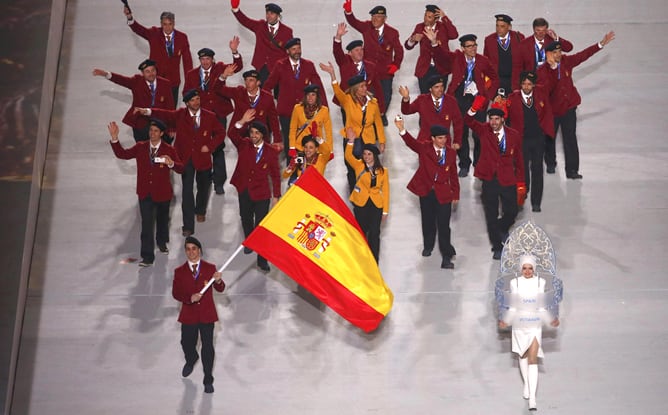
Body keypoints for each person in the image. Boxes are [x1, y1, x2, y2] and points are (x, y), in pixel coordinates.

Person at [136, 89, 226, 237]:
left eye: (197, 99)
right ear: (186, 103)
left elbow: (221, 133)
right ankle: (188, 226)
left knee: (204, 187)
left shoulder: (210, 116)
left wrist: (210, 146)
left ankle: (201, 210)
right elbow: (164, 113)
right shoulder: (179, 115)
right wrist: (147, 111)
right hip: (185, 159)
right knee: (187, 192)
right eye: (192, 100)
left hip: (203, 159)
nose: (196, 102)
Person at [537, 32, 615, 179]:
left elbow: (582, 55)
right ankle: (551, 163)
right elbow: (547, 90)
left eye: (560, 51)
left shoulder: (566, 61)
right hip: (552, 111)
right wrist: (553, 69)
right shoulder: (542, 71)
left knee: (570, 138)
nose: (559, 55)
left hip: (568, 108)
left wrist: (600, 44)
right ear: (548, 54)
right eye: (555, 53)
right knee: (549, 138)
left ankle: (572, 170)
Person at [108, 119, 183, 267]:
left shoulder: (169, 150)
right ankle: (147, 257)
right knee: (147, 225)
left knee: (162, 221)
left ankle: (162, 242)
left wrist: (172, 163)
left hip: (162, 193)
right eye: (150, 131)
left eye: (156, 131)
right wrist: (115, 138)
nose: (152, 133)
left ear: (161, 133)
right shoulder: (140, 147)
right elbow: (123, 154)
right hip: (145, 193)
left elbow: (181, 168)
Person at [498, 255, 560, 411]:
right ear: (520, 268)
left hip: (534, 324)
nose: (527, 271)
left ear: (534, 268)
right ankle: (526, 383)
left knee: (533, 358)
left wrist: (550, 320)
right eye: (524, 268)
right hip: (519, 324)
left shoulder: (540, 282)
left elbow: (541, 307)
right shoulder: (515, 283)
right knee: (522, 355)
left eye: (530, 268)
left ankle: (532, 397)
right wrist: (506, 320)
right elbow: (513, 307)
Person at [395, 119, 459, 269]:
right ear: (433, 139)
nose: (444, 141)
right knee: (428, 221)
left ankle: (446, 256)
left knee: (444, 225)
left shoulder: (450, 153)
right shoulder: (425, 148)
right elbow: (412, 143)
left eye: (445, 138)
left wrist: (455, 193)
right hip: (427, 191)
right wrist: (402, 130)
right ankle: (428, 245)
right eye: (440, 138)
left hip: (443, 192)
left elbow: (454, 175)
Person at [183, 41, 243, 195]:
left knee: (217, 146)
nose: (205, 62)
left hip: (218, 114)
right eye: (202, 59)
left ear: (213, 60)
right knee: (202, 146)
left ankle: (219, 181)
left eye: (208, 59)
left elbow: (238, 66)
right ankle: (204, 177)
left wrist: (235, 52)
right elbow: (186, 93)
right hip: (200, 115)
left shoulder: (220, 68)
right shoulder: (191, 75)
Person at [465, 105, 524, 260]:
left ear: (503, 119)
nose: (493, 122)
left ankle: (501, 227)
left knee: (512, 211)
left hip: (507, 178)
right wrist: (473, 108)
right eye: (491, 119)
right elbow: (468, 121)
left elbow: (519, 160)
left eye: (497, 119)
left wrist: (521, 182)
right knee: (491, 214)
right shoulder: (484, 130)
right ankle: (497, 247)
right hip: (489, 179)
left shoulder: (513, 135)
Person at [319, 61, 386, 193]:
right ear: (355, 89)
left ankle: (368, 192)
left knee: (369, 168)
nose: (364, 88)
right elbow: (338, 92)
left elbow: (378, 122)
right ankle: (354, 192)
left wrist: (382, 141)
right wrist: (332, 74)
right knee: (352, 168)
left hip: (368, 140)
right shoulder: (348, 100)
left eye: (365, 86)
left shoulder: (373, 102)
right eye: (361, 87)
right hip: (352, 140)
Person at [229, 109, 281, 273]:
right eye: (251, 132)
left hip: (261, 193)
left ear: (262, 135)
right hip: (244, 189)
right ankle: (249, 241)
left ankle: (262, 259)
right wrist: (241, 121)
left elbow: (275, 175)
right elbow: (232, 134)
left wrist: (276, 195)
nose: (253, 135)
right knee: (245, 218)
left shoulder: (271, 152)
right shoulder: (243, 144)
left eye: (256, 133)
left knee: (261, 225)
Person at [172, 236, 225, 394]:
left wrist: (218, 281)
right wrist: (189, 298)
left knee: (207, 348)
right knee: (186, 343)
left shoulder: (210, 268)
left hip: (206, 314)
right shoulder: (179, 271)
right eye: (188, 249)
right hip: (189, 315)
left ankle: (208, 378)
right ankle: (191, 359)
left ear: (199, 250)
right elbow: (176, 293)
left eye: (194, 248)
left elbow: (221, 289)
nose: (191, 252)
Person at [444, 34, 499, 178]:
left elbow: (494, 78)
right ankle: (464, 164)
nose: (473, 48)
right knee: (461, 133)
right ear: (462, 48)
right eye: (469, 46)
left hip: (478, 101)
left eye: (475, 45)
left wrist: (488, 96)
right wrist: (434, 43)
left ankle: (479, 163)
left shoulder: (483, 60)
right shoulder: (457, 58)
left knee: (479, 133)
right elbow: (441, 55)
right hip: (459, 100)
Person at [263, 38, 328, 157]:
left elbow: (318, 87)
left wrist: (324, 107)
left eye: (299, 48)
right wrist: (265, 106)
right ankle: (292, 171)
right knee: (290, 143)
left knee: (306, 141)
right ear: (288, 51)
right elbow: (268, 86)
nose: (297, 51)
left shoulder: (308, 65)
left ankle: (305, 171)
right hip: (286, 112)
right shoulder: (280, 65)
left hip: (305, 112)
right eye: (294, 49)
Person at [343, 2, 404, 126]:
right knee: (368, 94)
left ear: (384, 18)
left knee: (386, 96)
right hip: (369, 71)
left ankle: (382, 114)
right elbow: (354, 22)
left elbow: (399, 50)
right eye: (373, 17)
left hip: (385, 72)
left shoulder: (392, 32)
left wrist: (395, 65)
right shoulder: (367, 27)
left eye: (378, 17)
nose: (374, 19)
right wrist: (349, 12)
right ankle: (367, 117)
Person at [123, 8, 193, 106]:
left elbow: (187, 62)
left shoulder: (182, 37)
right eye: (165, 24)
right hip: (155, 81)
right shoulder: (154, 33)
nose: (167, 27)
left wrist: (190, 83)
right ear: (161, 23)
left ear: (174, 23)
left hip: (173, 82)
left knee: (171, 113)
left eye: (170, 24)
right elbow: (139, 30)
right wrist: (129, 17)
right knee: (155, 111)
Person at [506, 71, 554, 212]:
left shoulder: (541, 96)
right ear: (520, 84)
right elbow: (506, 118)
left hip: (538, 139)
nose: (526, 86)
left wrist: (547, 133)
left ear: (533, 85)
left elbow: (547, 114)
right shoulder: (512, 98)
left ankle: (536, 202)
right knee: (522, 168)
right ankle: (523, 192)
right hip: (521, 140)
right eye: (524, 84)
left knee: (538, 169)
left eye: (529, 84)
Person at [93, 59, 175, 142]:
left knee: (165, 147)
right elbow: (122, 80)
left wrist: (172, 127)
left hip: (160, 121)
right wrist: (106, 74)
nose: (151, 74)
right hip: (141, 122)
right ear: (142, 73)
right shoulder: (137, 81)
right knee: (143, 149)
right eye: (147, 71)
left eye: (153, 70)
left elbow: (170, 107)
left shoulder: (165, 84)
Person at [344, 128, 389, 262]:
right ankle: (362, 260)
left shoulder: (383, 171)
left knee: (375, 234)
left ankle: (374, 261)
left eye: (369, 154)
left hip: (376, 204)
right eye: (365, 154)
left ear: (374, 156)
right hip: (361, 203)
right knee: (361, 233)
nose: (367, 157)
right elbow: (348, 157)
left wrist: (385, 211)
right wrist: (351, 142)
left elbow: (386, 190)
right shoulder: (358, 165)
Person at [231, 1, 293, 87]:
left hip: (278, 68)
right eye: (267, 13)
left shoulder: (287, 31)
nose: (269, 16)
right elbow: (245, 21)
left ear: (278, 16)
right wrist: (236, 9)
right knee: (262, 94)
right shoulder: (260, 26)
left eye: (272, 13)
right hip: (262, 66)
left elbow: (291, 51)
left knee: (280, 95)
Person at [216, 68, 282, 150]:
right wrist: (223, 76)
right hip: (241, 136)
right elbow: (218, 89)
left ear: (258, 82)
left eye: (251, 80)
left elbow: (273, 120)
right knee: (246, 160)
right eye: (246, 80)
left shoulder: (267, 97)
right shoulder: (239, 92)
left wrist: (277, 140)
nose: (247, 83)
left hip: (261, 136)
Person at [332, 23, 386, 121]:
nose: (360, 52)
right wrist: (338, 36)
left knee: (367, 131)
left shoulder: (371, 66)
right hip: (349, 104)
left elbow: (378, 88)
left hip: (367, 104)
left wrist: (381, 108)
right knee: (350, 133)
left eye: (361, 49)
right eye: (356, 50)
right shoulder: (344, 63)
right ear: (350, 53)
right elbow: (337, 52)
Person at [404, 4, 458, 94]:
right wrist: (412, 39)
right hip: (425, 69)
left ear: (436, 19)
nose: (425, 19)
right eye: (425, 15)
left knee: (439, 96)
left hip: (441, 68)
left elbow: (454, 35)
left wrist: (444, 17)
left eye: (429, 17)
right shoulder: (420, 27)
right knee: (425, 97)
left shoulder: (443, 27)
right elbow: (408, 46)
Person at [399, 75, 462, 148]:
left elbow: (458, 122)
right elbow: (406, 111)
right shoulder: (422, 100)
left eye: (442, 86)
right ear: (430, 89)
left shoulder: (451, 101)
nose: (440, 89)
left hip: (444, 144)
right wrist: (406, 99)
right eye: (436, 87)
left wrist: (457, 141)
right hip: (425, 144)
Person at [482, 14, 525, 96]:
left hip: (514, 80)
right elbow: (486, 61)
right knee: (498, 106)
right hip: (498, 80)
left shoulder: (518, 38)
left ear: (509, 27)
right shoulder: (489, 40)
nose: (498, 29)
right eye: (497, 26)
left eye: (502, 26)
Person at [288, 84, 334, 157]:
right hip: (300, 147)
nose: (310, 97)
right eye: (308, 95)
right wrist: (292, 147)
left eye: (313, 95)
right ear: (305, 96)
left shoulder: (324, 110)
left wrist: (330, 150)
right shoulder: (297, 108)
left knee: (316, 168)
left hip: (317, 148)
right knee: (300, 168)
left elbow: (328, 132)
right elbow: (292, 129)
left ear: (317, 97)